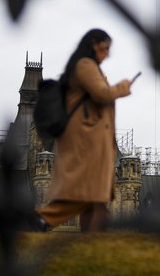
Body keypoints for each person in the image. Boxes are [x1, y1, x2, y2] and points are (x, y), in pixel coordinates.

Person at [36, 28, 136, 232]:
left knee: (96, 193)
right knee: (91, 191)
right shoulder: (85, 65)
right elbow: (101, 94)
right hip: (87, 138)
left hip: (89, 136)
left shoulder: (85, 66)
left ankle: (93, 236)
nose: (107, 53)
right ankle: (44, 218)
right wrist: (122, 88)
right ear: (93, 45)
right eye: (104, 48)